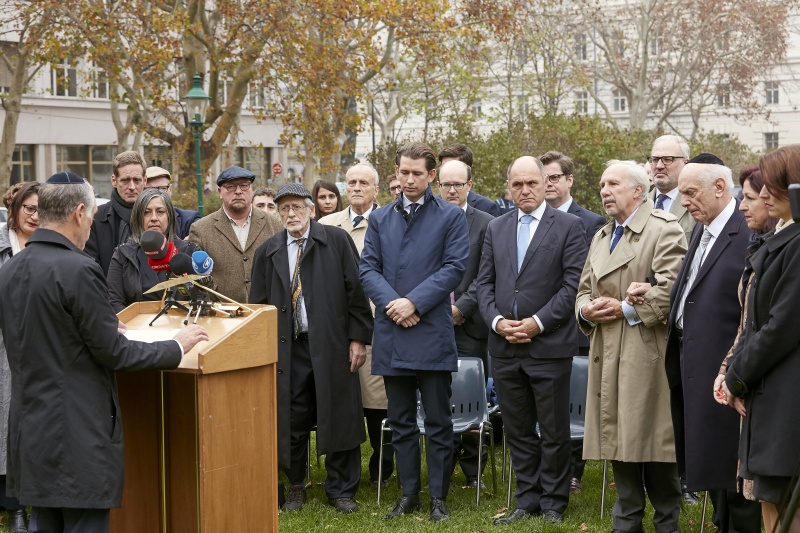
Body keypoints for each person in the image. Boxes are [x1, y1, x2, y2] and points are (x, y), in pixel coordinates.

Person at [0, 176, 208, 533]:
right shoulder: (79, 269)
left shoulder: (11, 269)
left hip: (30, 431)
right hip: (78, 434)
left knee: (45, 522)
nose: (92, 226)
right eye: (93, 217)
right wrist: (177, 346)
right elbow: (115, 354)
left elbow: (49, 331)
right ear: (80, 213)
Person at [360, 141, 468, 522]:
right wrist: (394, 304)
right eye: (403, 172)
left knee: (439, 421)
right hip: (393, 331)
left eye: (416, 174)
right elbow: (367, 269)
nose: (408, 180)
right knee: (401, 421)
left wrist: (414, 302)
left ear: (431, 176)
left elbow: (454, 268)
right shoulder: (380, 218)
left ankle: (438, 497)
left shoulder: (451, 217)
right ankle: (409, 494)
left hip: (431, 331)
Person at [576, 160, 686, 533]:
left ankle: (667, 522)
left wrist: (623, 308)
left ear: (638, 190)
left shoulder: (664, 230)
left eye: (613, 184)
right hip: (606, 353)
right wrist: (588, 310)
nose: (604, 191)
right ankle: (626, 521)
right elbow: (583, 292)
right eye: (603, 184)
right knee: (617, 440)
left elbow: (673, 290)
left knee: (652, 443)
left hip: (645, 355)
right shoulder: (602, 235)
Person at [250, 183, 372, 514]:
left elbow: (356, 292)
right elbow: (258, 306)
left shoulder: (336, 241)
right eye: (284, 208)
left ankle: (341, 489)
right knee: (291, 417)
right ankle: (294, 486)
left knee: (339, 413)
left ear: (311, 210)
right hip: (288, 349)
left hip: (333, 344)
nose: (290, 214)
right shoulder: (268, 251)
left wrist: (359, 338)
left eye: (297, 208)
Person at [477, 156, 587, 525]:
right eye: (517, 184)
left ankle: (555, 501)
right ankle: (528, 498)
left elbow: (573, 286)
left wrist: (537, 323)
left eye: (532, 183)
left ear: (546, 184)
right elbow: (484, 284)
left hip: (548, 346)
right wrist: (495, 321)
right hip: (505, 346)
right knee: (517, 428)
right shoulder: (496, 227)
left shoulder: (570, 227)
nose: (524, 190)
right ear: (508, 186)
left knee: (554, 430)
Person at [663, 154, 761, 533]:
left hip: (727, 367)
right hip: (692, 361)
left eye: (690, 193)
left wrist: (733, 368)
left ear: (720, 188)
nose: (684, 202)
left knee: (730, 463)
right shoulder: (701, 229)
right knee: (712, 462)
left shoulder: (746, 231)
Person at [723, 144, 800, 532]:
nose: (763, 194)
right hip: (772, 395)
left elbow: (781, 327)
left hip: (787, 399)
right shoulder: (783, 239)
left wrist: (737, 376)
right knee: (771, 502)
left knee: (787, 509)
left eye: (772, 186)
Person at [318, 162, 394, 488]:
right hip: (336, 331)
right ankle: (341, 469)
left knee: (379, 403)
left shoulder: (391, 223)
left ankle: (382, 467)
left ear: (376, 189)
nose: (357, 187)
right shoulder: (326, 225)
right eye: (352, 182)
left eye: (364, 182)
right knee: (342, 403)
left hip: (381, 328)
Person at [710, 166, 777, 514]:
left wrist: (736, 379)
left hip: (773, 389)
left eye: (750, 198)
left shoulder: (786, 251)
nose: (742, 206)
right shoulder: (761, 246)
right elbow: (746, 323)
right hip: (753, 381)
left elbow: (775, 329)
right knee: (764, 497)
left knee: (778, 498)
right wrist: (727, 371)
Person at [540, 150, 606, 493]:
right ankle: (546, 468)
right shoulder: (529, 219)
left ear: (569, 180)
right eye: (544, 178)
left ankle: (573, 471)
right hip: (537, 327)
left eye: (554, 177)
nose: (548, 184)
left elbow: (586, 276)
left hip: (574, 325)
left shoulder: (591, 222)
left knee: (573, 401)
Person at [436, 160, 494, 489]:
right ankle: (442, 468)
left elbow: (487, 276)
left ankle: (473, 472)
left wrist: (461, 309)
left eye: (459, 184)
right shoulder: (426, 222)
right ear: (438, 186)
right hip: (431, 326)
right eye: (446, 184)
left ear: (470, 185)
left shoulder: (486, 225)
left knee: (473, 398)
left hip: (470, 328)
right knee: (437, 397)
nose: (452, 190)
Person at [0, 181, 40, 533]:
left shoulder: (47, 246)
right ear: (14, 210)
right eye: (28, 208)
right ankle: (12, 507)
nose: (34, 215)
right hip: (3, 349)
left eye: (41, 209)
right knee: (4, 428)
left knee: (30, 428)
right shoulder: (2, 246)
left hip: (38, 348)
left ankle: (28, 504)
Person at [187, 166, 283, 304]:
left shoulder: (274, 225)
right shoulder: (201, 229)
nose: (238, 192)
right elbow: (194, 279)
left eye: (244, 186)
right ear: (220, 192)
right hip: (221, 317)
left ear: (251, 189)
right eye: (230, 187)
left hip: (267, 312)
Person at [107, 188, 198, 313]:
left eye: (160, 212)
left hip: (182, 326)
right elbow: (114, 301)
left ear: (169, 217)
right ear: (138, 218)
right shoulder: (123, 255)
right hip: (137, 329)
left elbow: (201, 295)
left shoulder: (188, 250)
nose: (154, 218)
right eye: (147, 212)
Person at [85, 151, 147, 275]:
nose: (132, 186)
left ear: (145, 180)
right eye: (125, 180)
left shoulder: (158, 217)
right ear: (114, 181)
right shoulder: (95, 219)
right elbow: (90, 266)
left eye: (137, 180)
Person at [649, 135, 696, 245]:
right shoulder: (638, 204)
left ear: (686, 163)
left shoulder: (697, 204)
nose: (659, 166)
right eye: (655, 159)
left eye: (667, 159)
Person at [438, 143, 500, 216]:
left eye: (454, 166)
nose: (448, 170)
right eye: (444, 166)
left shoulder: (486, 207)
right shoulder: (431, 206)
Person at [144, 166, 201, 238]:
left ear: (170, 189)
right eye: (150, 190)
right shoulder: (133, 221)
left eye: (162, 189)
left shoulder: (189, 220)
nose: (156, 194)